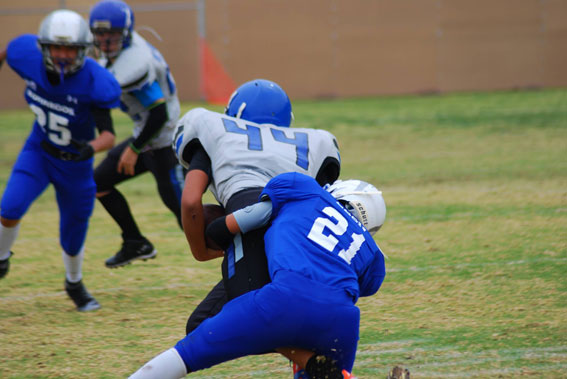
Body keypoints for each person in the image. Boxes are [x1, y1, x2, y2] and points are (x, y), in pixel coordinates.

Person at [129, 172, 387, 378]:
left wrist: (220, 234)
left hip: (284, 298)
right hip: (342, 321)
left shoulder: (302, 188)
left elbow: (239, 222)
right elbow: (364, 285)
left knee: (188, 353)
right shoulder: (373, 255)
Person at [173, 79, 341, 335]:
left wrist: (201, 251)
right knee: (270, 317)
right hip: (304, 241)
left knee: (210, 326)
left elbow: (190, 201)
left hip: (252, 223)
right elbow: (324, 202)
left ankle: (323, 365)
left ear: (235, 114)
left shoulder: (216, 132)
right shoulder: (314, 141)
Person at [0, 9, 121, 311]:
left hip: (75, 164)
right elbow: (6, 52)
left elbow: (109, 136)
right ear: (43, 47)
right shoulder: (25, 54)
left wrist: (89, 149)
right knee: (10, 206)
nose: (64, 55)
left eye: (70, 48)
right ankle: (1, 258)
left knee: (73, 231)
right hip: (39, 150)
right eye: (57, 47)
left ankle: (74, 282)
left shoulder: (94, 81)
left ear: (83, 50)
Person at [89, 0, 184, 268]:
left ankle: (240, 261)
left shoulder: (136, 64)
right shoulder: (121, 52)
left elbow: (158, 114)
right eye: (101, 34)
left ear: (126, 33)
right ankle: (135, 242)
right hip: (147, 139)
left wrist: (134, 149)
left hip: (165, 143)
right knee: (98, 183)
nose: (106, 41)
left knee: (187, 215)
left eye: (112, 35)